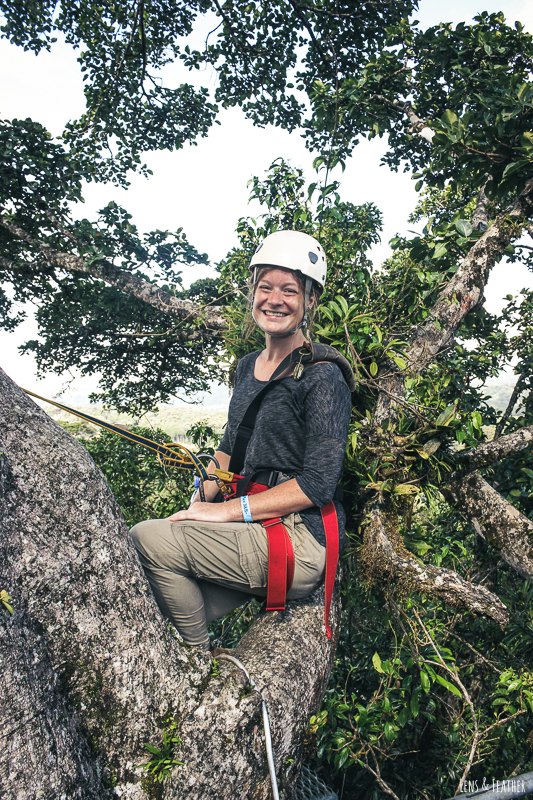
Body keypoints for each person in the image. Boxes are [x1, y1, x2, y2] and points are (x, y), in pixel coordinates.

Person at [129, 230, 352, 652]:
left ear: (310, 301)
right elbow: (232, 444)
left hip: (298, 537)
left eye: (290, 290)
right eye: (265, 287)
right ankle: (197, 651)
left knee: (145, 539)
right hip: (257, 522)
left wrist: (227, 512)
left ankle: (195, 665)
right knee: (165, 587)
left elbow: (318, 482)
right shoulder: (248, 366)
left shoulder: (323, 376)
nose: (275, 299)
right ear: (252, 293)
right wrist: (206, 493)